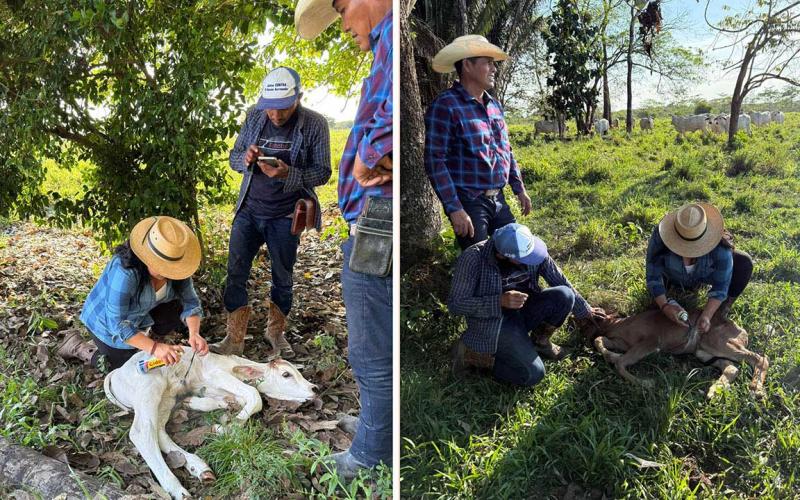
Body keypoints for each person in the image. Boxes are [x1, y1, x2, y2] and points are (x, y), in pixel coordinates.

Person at [295, 0, 392, 480]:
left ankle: (372, 454)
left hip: (378, 222)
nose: (344, 25)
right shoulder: (384, 45)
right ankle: (379, 425)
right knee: (377, 338)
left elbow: (391, 121)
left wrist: (365, 161)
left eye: (341, 8)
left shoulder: (392, 38)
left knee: (370, 347)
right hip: (373, 217)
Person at [213, 66, 331, 358]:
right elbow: (234, 157)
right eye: (270, 110)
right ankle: (234, 338)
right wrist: (247, 158)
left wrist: (288, 174)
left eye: (282, 109)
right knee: (235, 272)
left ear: (298, 98)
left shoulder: (315, 124)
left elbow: (323, 172)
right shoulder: (255, 116)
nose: (276, 116)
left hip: (285, 215)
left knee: (283, 276)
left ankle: (275, 333)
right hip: (249, 210)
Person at [448, 223, 607, 386]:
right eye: (524, 259)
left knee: (564, 295)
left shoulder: (529, 247)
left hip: (524, 309)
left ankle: (540, 343)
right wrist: (499, 301)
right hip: (494, 323)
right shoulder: (473, 258)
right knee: (532, 374)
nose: (531, 259)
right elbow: (456, 304)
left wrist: (585, 309)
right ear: (503, 255)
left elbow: (560, 280)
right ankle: (471, 355)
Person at [57, 216, 208, 371]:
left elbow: (191, 302)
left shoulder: (178, 270)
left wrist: (194, 333)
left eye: (171, 267)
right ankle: (78, 346)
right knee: (122, 368)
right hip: (104, 321)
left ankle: (143, 342)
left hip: (142, 313)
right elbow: (117, 324)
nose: (167, 272)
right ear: (147, 256)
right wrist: (155, 348)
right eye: (161, 266)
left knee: (173, 311)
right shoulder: (125, 272)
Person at [425, 35, 532, 250]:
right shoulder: (446, 105)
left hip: (498, 199)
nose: (494, 69)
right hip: (469, 202)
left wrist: (519, 189)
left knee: (517, 251)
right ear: (467, 65)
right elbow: (435, 160)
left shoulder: (494, 106)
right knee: (480, 262)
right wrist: (455, 208)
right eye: (488, 62)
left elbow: (506, 150)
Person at [646, 202, 753, 333]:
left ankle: (722, 308)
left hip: (703, 276)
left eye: (695, 247)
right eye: (681, 246)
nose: (687, 252)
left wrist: (707, 316)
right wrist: (665, 306)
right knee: (657, 307)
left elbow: (721, 287)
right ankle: (671, 292)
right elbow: (653, 274)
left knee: (744, 262)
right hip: (671, 277)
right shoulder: (661, 234)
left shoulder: (721, 249)